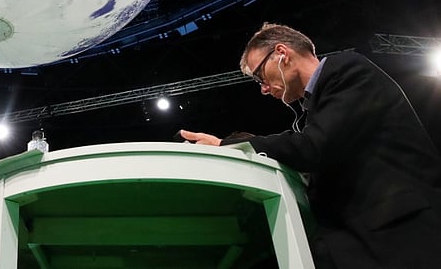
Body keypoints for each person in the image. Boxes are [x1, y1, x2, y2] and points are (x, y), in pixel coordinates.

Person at [179, 22, 441, 268]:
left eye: (260, 76)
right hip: (370, 243)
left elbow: (314, 146)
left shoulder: (347, 70)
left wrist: (227, 144)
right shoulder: (320, 107)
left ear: (282, 53)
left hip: (403, 237)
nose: (263, 89)